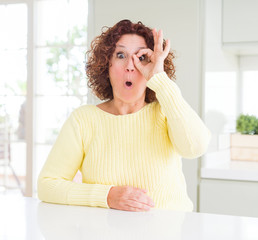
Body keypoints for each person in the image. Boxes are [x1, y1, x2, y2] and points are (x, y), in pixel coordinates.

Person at [37, 19, 211, 212]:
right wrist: (107, 196)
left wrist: (159, 79)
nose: (130, 65)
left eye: (142, 58)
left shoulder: (166, 111)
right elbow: (47, 185)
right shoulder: (83, 120)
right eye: (121, 55)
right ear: (107, 65)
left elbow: (196, 147)